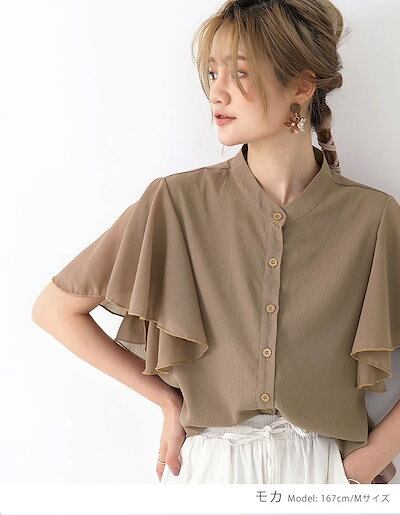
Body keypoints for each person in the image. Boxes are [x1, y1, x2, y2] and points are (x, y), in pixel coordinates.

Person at [32, 0, 400, 485]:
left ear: (302, 85)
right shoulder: (176, 202)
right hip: (213, 471)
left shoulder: (373, 217)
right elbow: (55, 309)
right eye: (212, 73)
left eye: (240, 73)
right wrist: (167, 401)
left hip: (330, 474)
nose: (217, 92)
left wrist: (368, 462)